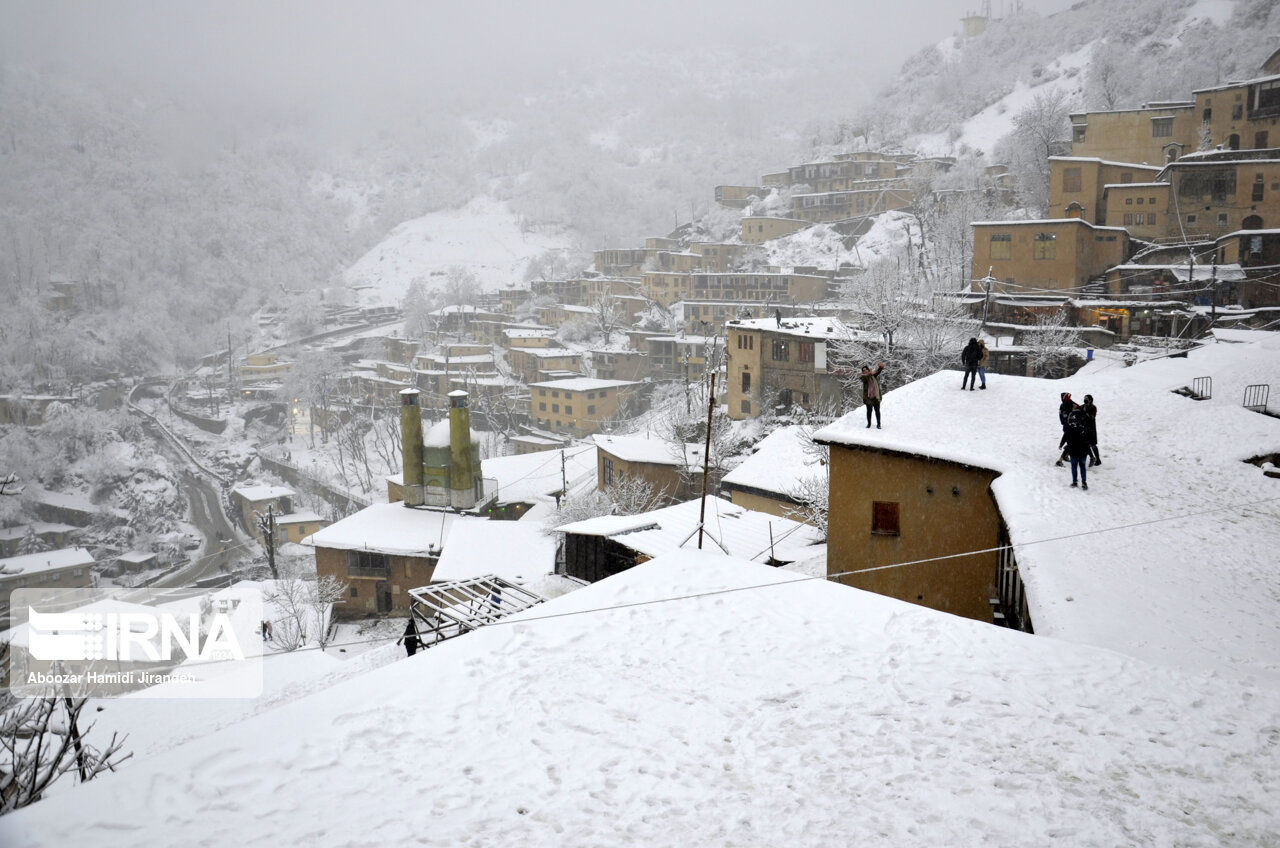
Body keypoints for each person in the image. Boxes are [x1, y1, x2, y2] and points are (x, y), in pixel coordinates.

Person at [1059, 406, 1092, 490]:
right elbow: (1089, 438)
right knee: (1082, 466)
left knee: (1074, 466)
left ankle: (1075, 482)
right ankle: (1084, 482)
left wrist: (1061, 444)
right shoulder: (1084, 427)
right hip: (1083, 450)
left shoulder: (1070, 427)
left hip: (1073, 450)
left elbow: (1065, 436)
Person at [860, 362, 884, 429]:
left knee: (877, 411)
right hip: (868, 398)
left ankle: (878, 424)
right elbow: (866, 378)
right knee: (869, 412)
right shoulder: (863, 377)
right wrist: (870, 373)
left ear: (868, 369)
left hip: (875, 397)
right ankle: (869, 424)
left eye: (866, 369)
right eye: (863, 370)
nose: (865, 371)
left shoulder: (873, 376)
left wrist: (881, 367)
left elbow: (878, 371)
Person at [1055, 392, 1076, 467]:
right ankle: (1060, 460)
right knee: (1071, 444)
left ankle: (1065, 456)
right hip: (1069, 427)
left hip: (1069, 427)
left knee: (1071, 443)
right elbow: (1062, 417)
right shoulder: (1064, 405)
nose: (1069, 398)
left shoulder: (1068, 403)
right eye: (1067, 397)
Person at [1082, 394, 1101, 466]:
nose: (1085, 399)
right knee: (1085, 444)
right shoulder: (1083, 406)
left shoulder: (1093, 407)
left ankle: (1098, 459)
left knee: (1093, 445)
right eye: (1084, 398)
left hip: (1091, 428)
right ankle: (1092, 458)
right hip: (1085, 428)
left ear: (1090, 400)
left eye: (1086, 398)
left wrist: (1085, 413)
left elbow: (1092, 417)